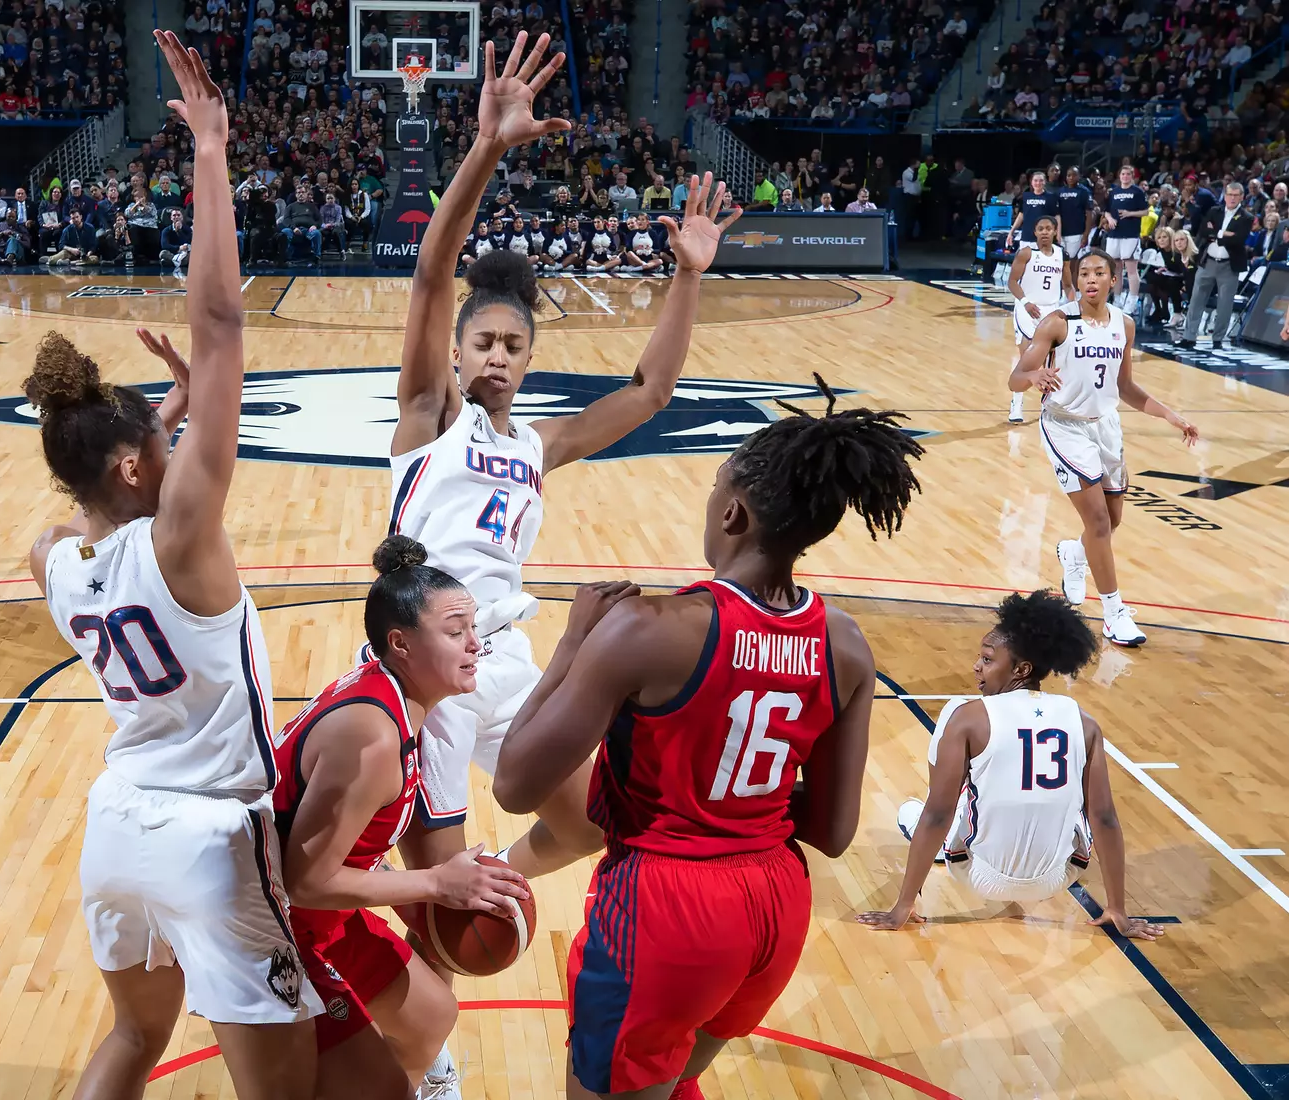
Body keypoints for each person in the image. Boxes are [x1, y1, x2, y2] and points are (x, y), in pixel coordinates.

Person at [390, 29, 741, 1093]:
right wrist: (488, 148)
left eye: (512, 345)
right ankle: (430, 1054)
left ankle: (496, 877)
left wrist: (687, 276)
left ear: (529, 359)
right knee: (434, 883)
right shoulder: (428, 418)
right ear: (459, 352)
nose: (496, 355)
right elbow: (434, 271)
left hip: (507, 656)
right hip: (426, 665)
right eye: (483, 342)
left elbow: (649, 393)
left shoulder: (539, 446)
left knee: (592, 820)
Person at [25, 37, 329, 1100]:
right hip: (211, 835)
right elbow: (222, 321)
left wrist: (158, 417)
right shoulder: (182, 540)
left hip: (116, 828)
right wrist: (209, 148)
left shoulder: (56, 561)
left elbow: (88, 507)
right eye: (164, 442)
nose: (178, 445)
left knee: (129, 1043)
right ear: (135, 465)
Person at [494, 379, 923, 1100]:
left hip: (667, 911)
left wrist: (571, 645)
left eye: (716, 484)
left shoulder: (650, 630)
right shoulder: (846, 643)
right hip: (775, 906)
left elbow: (514, 785)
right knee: (673, 1080)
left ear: (733, 511)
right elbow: (832, 831)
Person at [273, 535, 531, 1093]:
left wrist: (416, 883)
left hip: (315, 910)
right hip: (276, 926)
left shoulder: (393, 700)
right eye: (456, 631)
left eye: (474, 628)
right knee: (369, 1078)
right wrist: (437, 883)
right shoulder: (372, 738)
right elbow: (304, 880)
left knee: (431, 1015)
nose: (476, 645)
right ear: (401, 643)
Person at [857, 591, 1163, 941]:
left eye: (987, 659)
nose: (977, 666)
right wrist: (1118, 909)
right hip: (1057, 878)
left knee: (927, 805)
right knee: (1083, 810)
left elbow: (937, 814)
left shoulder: (968, 717)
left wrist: (903, 905)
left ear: (1021, 669)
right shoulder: (1084, 721)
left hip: (978, 875)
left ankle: (938, 846)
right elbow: (1104, 818)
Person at [1010, 248, 1199, 647]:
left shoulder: (1124, 324)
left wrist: (1170, 416)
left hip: (1106, 425)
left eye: (1098, 272)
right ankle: (1114, 613)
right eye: (1083, 273)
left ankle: (1074, 554)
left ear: (1113, 280)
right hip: (1064, 425)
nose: (1090, 279)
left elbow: (1124, 386)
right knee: (1097, 522)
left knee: (1112, 521)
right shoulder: (1058, 322)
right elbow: (1015, 378)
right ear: (1077, 281)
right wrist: (1034, 375)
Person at [1005, 215, 1072, 424]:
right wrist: (1025, 302)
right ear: (1034, 232)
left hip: (1051, 310)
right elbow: (1012, 281)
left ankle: (1049, 402)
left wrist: (1074, 308)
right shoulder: (1026, 253)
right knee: (1027, 357)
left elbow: (1068, 285)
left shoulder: (1062, 254)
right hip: (1027, 308)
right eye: (1040, 228)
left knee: (1052, 359)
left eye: (1048, 228)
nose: (1044, 232)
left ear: (1054, 231)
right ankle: (1017, 403)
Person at [1178, 182, 1253, 349]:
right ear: (1225, 196)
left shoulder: (1246, 217)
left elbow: (1238, 239)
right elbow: (1204, 231)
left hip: (1229, 266)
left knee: (1225, 304)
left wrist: (1216, 233)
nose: (1232, 198)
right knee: (1196, 300)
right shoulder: (1214, 211)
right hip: (1208, 262)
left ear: (1241, 197)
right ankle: (1189, 337)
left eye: (1236, 195)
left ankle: (1218, 340)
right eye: (1230, 194)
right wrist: (1223, 233)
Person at [1100, 165, 1150, 311]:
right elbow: (1106, 211)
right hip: (1114, 234)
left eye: (1128, 174)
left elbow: (1146, 212)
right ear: (1119, 175)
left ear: (1132, 176)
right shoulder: (1114, 192)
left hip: (1130, 234)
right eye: (1123, 174)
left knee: (1131, 269)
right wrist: (1110, 219)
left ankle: (1132, 301)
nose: (1125, 176)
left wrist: (1130, 213)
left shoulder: (1137, 192)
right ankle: (1117, 299)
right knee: (1116, 268)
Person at [1005, 169, 1061, 252]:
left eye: (1041, 180)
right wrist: (1011, 232)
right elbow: (1021, 216)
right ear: (1031, 182)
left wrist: (1058, 235)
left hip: (1043, 238)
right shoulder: (1025, 196)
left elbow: (1057, 217)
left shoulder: (1051, 197)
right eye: (1035, 180)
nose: (1038, 183)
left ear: (1045, 182)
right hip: (1026, 237)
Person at [1054, 165, 1094, 273]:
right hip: (1061, 232)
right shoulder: (1059, 192)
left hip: (1077, 232)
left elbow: (1089, 214)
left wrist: (1086, 234)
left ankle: (1073, 284)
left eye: (1074, 175)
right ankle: (1062, 283)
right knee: (1061, 261)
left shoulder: (1084, 191)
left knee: (1072, 261)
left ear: (1079, 176)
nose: (1071, 177)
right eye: (1069, 175)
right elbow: (1056, 214)